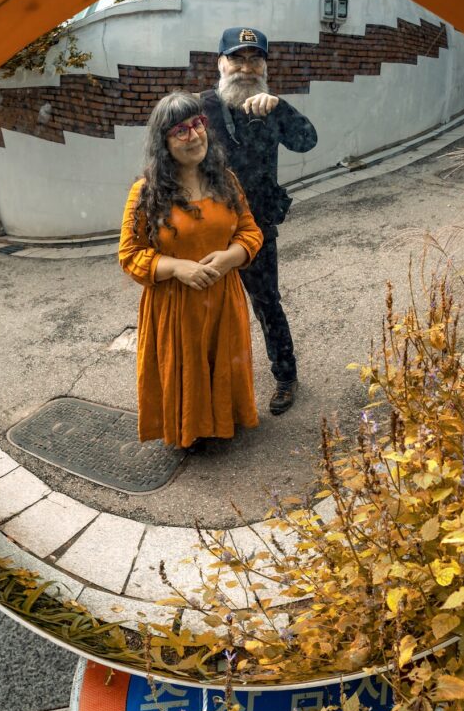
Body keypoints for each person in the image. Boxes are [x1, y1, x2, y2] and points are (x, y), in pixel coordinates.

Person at [118, 91, 264, 450]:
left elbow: (250, 231)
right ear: (164, 142)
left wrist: (230, 257)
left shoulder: (225, 180)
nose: (194, 135)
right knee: (185, 368)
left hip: (224, 300)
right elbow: (129, 254)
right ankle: (190, 428)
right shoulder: (146, 192)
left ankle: (222, 421)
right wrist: (175, 267)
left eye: (198, 124)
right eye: (180, 130)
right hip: (175, 307)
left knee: (222, 362)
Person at [199, 27, 318, 415]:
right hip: (210, 230)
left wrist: (280, 108)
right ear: (221, 63)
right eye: (237, 59)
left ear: (264, 67)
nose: (246, 68)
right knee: (209, 310)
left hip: (258, 226)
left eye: (255, 60)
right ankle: (215, 385)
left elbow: (307, 141)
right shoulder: (199, 109)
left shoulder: (270, 107)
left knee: (267, 303)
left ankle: (285, 376)